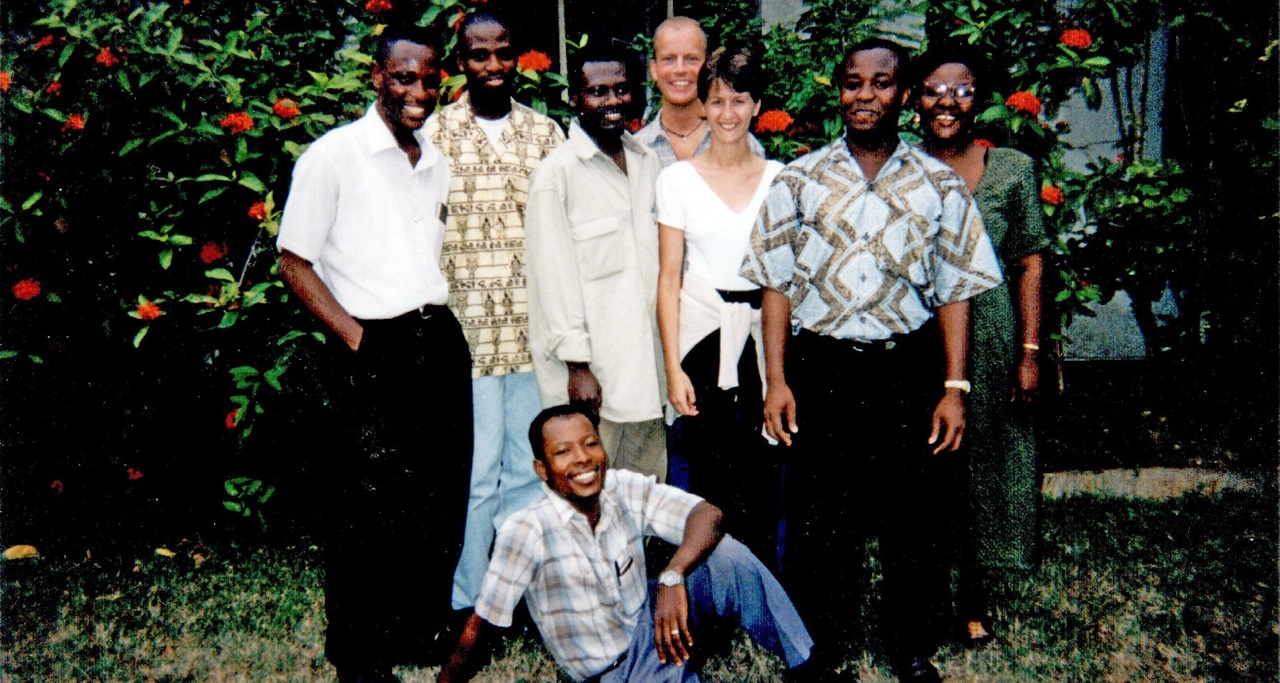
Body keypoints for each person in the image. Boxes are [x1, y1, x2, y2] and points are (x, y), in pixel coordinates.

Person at [739, 38, 1003, 682]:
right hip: (822, 368)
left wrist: (953, 387)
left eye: (881, 83)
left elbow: (955, 289)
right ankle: (818, 648)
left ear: (903, 94)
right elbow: (775, 284)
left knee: (913, 515)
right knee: (819, 518)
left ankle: (909, 645)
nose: (866, 95)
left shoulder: (938, 184)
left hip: (905, 369)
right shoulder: (798, 178)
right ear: (838, 91)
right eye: (853, 83)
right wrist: (777, 379)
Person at [276, 25, 472, 683]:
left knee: (435, 498)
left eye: (428, 77)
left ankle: (413, 628)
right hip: (369, 340)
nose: (418, 89)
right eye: (403, 76)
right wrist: (359, 340)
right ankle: (359, 656)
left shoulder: (435, 156)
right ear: (377, 77)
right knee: (366, 508)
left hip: (435, 338)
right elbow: (294, 261)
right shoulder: (333, 157)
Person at [436, 404, 815, 683]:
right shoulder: (526, 530)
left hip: (654, 617)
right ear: (542, 470)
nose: (583, 459)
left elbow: (708, 515)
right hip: (619, 669)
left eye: (590, 443)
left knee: (727, 556)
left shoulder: (620, 486)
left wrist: (673, 575)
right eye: (563, 452)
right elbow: (481, 626)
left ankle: (807, 668)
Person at [423, 10, 567, 612]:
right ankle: (468, 600)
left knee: (526, 470)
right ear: (460, 61)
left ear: (517, 57)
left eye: (502, 53)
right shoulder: (434, 135)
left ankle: (518, 597)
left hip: (533, 334)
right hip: (466, 337)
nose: (492, 66)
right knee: (478, 477)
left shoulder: (545, 135)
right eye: (478, 55)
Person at [913, 45, 1048, 647]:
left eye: (962, 89)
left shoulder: (1013, 169)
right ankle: (920, 594)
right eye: (934, 89)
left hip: (991, 335)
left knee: (983, 464)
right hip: (919, 336)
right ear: (916, 97)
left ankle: (972, 596)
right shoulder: (900, 168)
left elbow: (1030, 265)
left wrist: (1029, 352)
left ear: (980, 99)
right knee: (926, 469)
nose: (948, 102)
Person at [655, 44, 784, 568]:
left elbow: (784, 277)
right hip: (704, 338)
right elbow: (668, 280)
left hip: (762, 335)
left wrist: (779, 374)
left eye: (739, 100)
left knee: (764, 465)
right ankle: (710, 583)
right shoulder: (677, 180)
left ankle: (761, 582)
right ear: (703, 106)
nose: (727, 113)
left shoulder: (780, 178)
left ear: (756, 105)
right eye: (717, 101)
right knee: (709, 470)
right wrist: (671, 368)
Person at [525, 44, 667, 480]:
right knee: (591, 492)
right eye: (598, 92)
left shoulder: (647, 162)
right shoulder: (557, 175)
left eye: (622, 90)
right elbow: (552, 280)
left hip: (648, 373)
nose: (612, 102)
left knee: (647, 490)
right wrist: (578, 367)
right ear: (574, 99)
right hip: (594, 381)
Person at [632, 16, 764, 168]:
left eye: (691, 59)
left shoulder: (745, 146)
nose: (680, 69)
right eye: (669, 59)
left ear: (707, 66)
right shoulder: (636, 152)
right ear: (654, 69)